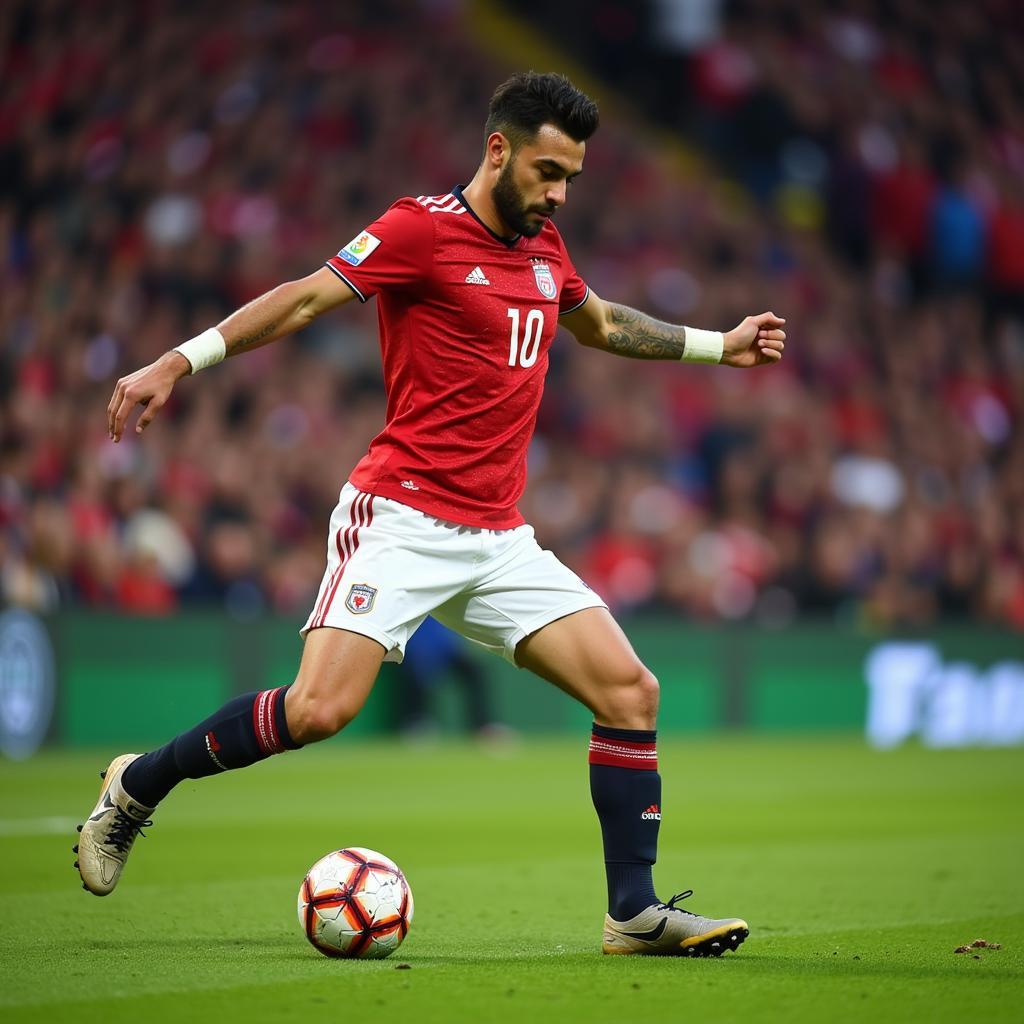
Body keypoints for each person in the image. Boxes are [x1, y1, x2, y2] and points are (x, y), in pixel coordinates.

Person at [78, 72, 785, 957]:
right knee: (319, 711)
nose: (559, 192)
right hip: (400, 520)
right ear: (498, 150)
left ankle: (633, 912)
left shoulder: (544, 245)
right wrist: (178, 362)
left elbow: (597, 323)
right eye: (547, 171)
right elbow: (302, 297)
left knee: (630, 691)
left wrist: (719, 346)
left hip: (498, 536)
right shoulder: (420, 230)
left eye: (571, 177)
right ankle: (137, 785)